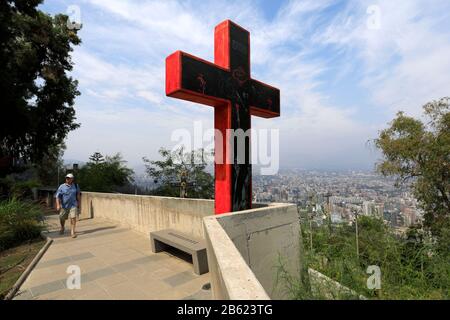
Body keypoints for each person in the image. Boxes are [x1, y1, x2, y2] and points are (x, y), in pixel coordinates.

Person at [55, 173, 81, 238]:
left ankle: (72, 231)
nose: (68, 179)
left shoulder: (75, 185)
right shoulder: (61, 186)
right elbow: (57, 197)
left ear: (72, 179)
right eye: (67, 178)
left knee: (73, 218)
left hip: (73, 205)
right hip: (64, 206)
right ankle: (62, 227)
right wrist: (58, 205)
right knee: (61, 218)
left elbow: (78, 194)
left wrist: (79, 203)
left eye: (69, 178)